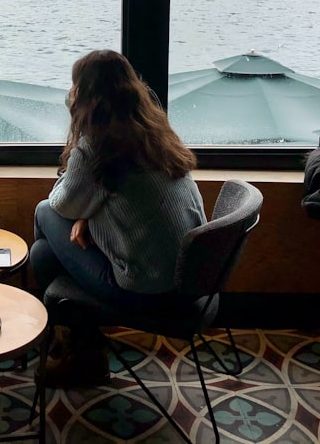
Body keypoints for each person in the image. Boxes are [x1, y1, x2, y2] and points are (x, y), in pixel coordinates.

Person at [30, 50, 207, 387]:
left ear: (85, 97)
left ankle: (73, 347)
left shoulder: (96, 146)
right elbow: (116, 198)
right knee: (43, 254)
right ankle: (79, 345)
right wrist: (87, 212)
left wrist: (81, 210)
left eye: (74, 88)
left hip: (145, 288)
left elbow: (61, 204)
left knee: (42, 213)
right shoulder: (154, 134)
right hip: (188, 282)